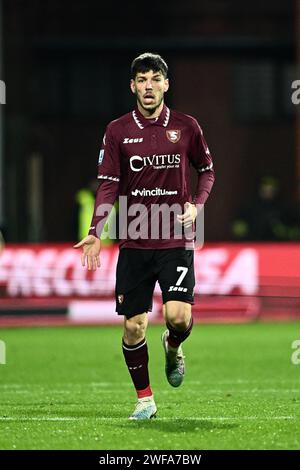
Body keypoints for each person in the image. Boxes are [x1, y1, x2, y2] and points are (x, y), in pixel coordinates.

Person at [74, 53, 215, 419]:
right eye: (142, 79)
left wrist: (197, 205)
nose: (149, 86)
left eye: (156, 79)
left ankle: (172, 346)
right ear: (132, 86)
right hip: (135, 239)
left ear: (166, 84)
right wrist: (94, 232)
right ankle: (145, 399)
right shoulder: (117, 130)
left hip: (175, 237)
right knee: (134, 325)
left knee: (179, 317)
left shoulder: (187, 127)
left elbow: (207, 171)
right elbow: (107, 186)